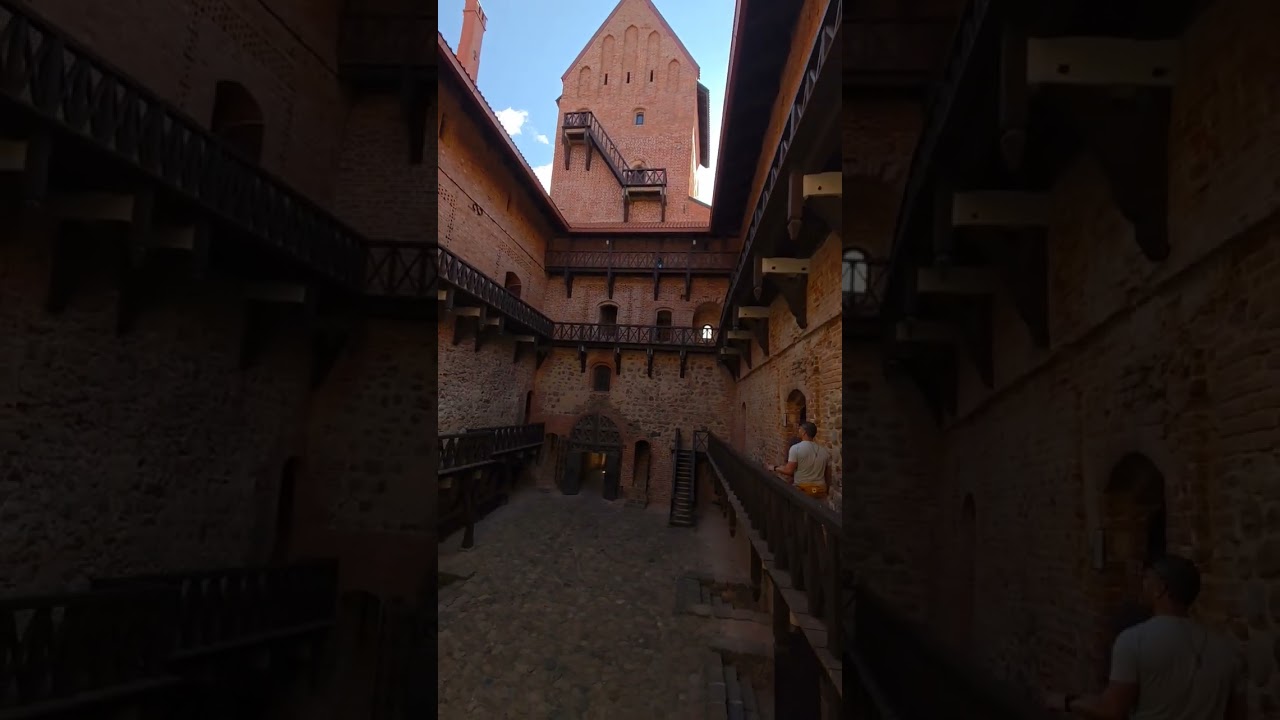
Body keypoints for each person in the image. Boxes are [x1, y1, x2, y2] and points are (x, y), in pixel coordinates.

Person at [1042, 554, 1244, 720]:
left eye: (1147, 579)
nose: (1142, 585)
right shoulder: (1224, 650)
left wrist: (1065, 702)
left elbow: (1112, 710)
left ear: (1160, 589)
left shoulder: (1134, 641)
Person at [768, 422, 830, 499]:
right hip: (820, 490)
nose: (798, 431)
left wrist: (774, 468)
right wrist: (827, 490)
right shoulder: (824, 451)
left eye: (800, 429)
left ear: (804, 432)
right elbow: (827, 475)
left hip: (803, 489)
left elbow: (789, 470)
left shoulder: (796, 448)